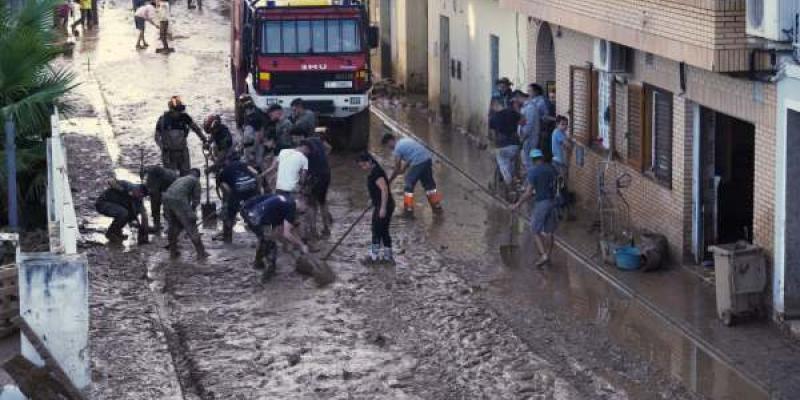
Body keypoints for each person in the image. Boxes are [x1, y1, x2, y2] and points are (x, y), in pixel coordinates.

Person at [240, 193, 309, 282]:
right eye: (306, 208)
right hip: (254, 214)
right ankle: (267, 277)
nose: (305, 211)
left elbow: (285, 230)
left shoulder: (288, 201)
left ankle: (258, 263)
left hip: (249, 208)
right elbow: (286, 234)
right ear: (302, 203)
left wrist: (298, 245)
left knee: (266, 237)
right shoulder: (291, 207)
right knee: (270, 244)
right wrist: (301, 246)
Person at [512, 149, 559, 267]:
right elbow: (559, 184)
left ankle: (543, 255)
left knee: (534, 229)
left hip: (542, 203)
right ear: (542, 158)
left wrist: (517, 204)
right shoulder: (552, 169)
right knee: (549, 232)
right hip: (553, 202)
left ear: (533, 160)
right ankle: (549, 255)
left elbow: (528, 192)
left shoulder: (534, 172)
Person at [382, 133, 442, 214]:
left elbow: (397, 168)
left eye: (387, 145)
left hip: (418, 162)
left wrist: (389, 181)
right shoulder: (405, 141)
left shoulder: (397, 149)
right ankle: (437, 206)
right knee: (430, 186)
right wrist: (404, 169)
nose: (388, 148)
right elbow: (411, 158)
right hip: (427, 159)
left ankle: (408, 210)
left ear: (390, 141)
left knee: (408, 184)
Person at [356, 152, 395, 264]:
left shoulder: (376, 173)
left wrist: (382, 208)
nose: (363, 168)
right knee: (383, 231)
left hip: (384, 205)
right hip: (382, 204)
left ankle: (374, 257)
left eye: (363, 165)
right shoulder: (375, 170)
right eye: (361, 166)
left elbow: (384, 190)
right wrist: (373, 200)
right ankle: (387, 257)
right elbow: (377, 191)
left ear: (369, 161)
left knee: (376, 230)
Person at [154, 96, 207, 175]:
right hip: (168, 153)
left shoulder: (185, 117)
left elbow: (196, 128)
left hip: (182, 152)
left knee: (185, 176)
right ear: (171, 109)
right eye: (177, 110)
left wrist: (204, 139)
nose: (179, 112)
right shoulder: (163, 120)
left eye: (180, 110)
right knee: (170, 177)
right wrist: (162, 147)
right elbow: (156, 136)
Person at [163, 169, 209, 259]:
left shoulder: (180, 179)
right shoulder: (195, 181)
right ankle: (201, 252)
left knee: (173, 227)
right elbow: (196, 200)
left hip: (166, 199)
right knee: (191, 226)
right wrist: (191, 213)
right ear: (198, 176)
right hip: (179, 200)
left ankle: (173, 252)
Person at [217, 154, 260, 243]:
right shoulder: (244, 164)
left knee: (230, 214)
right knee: (253, 212)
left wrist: (228, 201)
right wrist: (258, 190)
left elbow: (224, 187)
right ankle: (261, 238)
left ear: (227, 161)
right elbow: (256, 173)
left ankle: (228, 240)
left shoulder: (224, 170)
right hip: (252, 188)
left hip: (238, 190)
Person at [95, 179, 150, 244]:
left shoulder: (137, 199)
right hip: (103, 203)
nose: (139, 196)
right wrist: (122, 190)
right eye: (139, 194)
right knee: (123, 213)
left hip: (116, 206)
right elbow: (110, 181)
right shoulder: (127, 185)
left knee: (130, 213)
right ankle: (110, 233)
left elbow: (143, 216)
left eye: (141, 196)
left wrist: (143, 233)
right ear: (138, 189)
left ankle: (117, 231)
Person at [297, 138, 332, 238]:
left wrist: (301, 182)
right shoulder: (317, 139)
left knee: (311, 204)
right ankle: (326, 229)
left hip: (314, 176)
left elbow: (302, 169)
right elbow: (329, 147)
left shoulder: (303, 147)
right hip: (326, 174)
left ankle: (314, 231)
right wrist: (323, 158)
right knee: (323, 201)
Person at [488, 98, 522, 187]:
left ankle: (509, 184)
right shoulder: (512, 112)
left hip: (502, 146)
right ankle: (515, 180)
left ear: (494, 105)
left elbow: (492, 136)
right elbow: (524, 121)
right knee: (512, 162)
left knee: (502, 163)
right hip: (515, 145)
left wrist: (493, 146)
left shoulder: (493, 118)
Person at [143, 165, 178, 232]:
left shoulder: (170, 176)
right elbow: (151, 191)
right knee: (155, 202)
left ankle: (173, 225)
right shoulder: (151, 174)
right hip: (162, 185)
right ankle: (157, 224)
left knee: (168, 207)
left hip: (171, 187)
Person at [529, 83, 556, 159]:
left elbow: (546, 116)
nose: (528, 93)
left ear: (536, 91)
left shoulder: (542, 102)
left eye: (530, 91)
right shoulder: (533, 101)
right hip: (534, 131)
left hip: (541, 131)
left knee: (541, 153)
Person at [519, 89, 540, 172]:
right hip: (526, 139)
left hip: (530, 139)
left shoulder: (530, 108)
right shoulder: (525, 107)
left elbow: (529, 125)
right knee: (526, 161)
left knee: (529, 161)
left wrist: (523, 137)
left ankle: (531, 181)